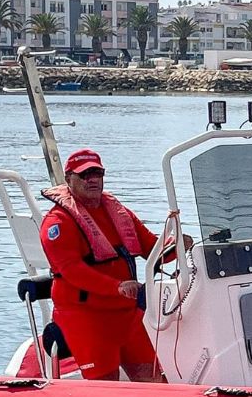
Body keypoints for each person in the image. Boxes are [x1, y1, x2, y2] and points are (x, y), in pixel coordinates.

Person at [39, 148, 169, 382]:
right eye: (85, 174)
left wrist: (180, 245)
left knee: (153, 379)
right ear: (69, 179)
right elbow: (72, 271)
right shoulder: (57, 223)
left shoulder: (118, 212)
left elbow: (151, 247)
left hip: (127, 313)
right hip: (87, 317)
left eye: (97, 173)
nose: (92, 179)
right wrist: (116, 286)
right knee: (105, 383)